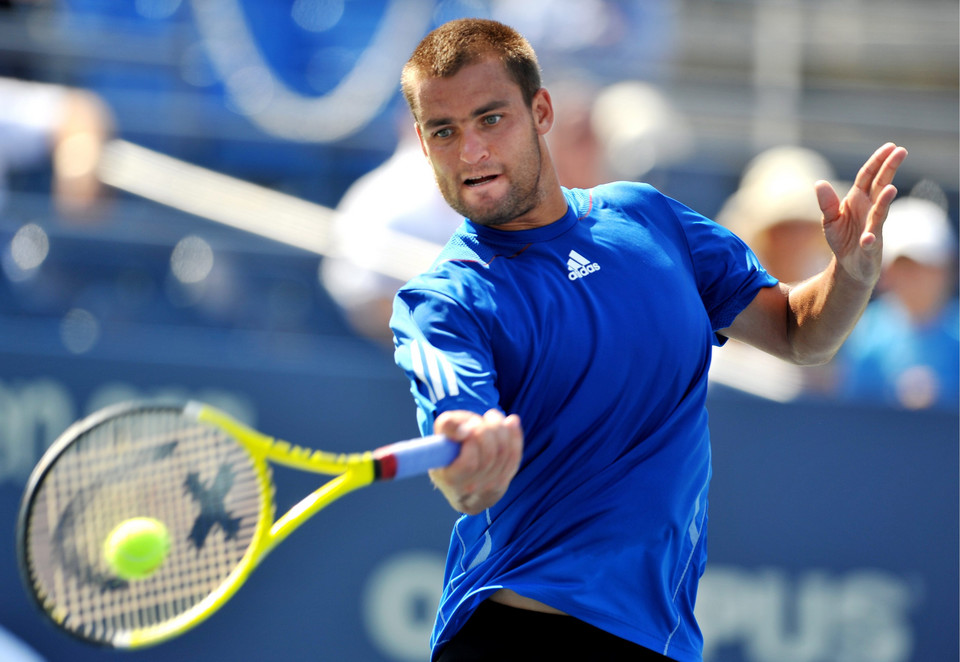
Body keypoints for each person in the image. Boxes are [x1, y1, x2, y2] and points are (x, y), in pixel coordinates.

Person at [388, 18, 906, 662]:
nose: (471, 153)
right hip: (519, 635)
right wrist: (473, 462)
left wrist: (849, 277)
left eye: (490, 119)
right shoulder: (442, 301)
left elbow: (800, 335)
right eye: (445, 131)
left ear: (540, 110)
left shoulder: (647, 216)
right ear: (423, 142)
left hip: (657, 638)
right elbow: (464, 459)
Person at [834, 195, 958, 410]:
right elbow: (851, 407)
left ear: (947, 269)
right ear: (886, 273)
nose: (918, 277)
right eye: (905, 266)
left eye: (928, 265)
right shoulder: (863, 333)